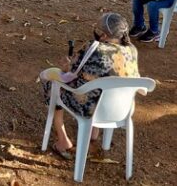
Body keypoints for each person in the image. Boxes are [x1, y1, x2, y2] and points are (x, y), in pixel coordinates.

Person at [40, 12, 139, 160]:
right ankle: (94, 133)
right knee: (104, 85)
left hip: (90, 106)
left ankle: (63, 141)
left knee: (51, 83)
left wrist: (67, 66)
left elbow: (71, 75)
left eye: (97, 28)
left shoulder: (94, 48)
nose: (95, 30)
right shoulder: (132, 50)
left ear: (104, 35)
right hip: (121, 109)